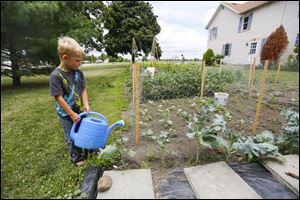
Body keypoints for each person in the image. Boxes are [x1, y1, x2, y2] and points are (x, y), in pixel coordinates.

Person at [49, 36, 91, 167]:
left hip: (76, 107)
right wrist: (71, 114)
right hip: (65, 112)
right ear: (65, 57)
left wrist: (86, 104)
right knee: (71, 135)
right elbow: (59, 98)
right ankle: (77, 158)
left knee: (85, 128)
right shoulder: (55, 76)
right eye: (77, 61)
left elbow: (83, 89)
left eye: (80, 61)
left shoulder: (78, 73)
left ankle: (89, 150)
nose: (79, 64)